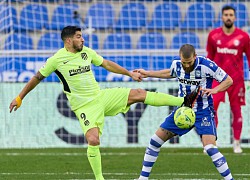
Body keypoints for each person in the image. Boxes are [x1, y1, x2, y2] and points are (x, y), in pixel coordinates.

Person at [9, 26, 198, 180]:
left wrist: (129, 73)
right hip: (84, 106)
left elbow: (106, 63)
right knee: (93, 139)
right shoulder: (56, 60)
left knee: (139, 93)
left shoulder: (86, 53)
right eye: (79, 37)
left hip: (101, 96)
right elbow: (36, 77)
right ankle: (99, 178)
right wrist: (19, 97)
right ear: (68, 40)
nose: (82, 40)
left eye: (82, 37)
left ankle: (183, 101)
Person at [134, 44, 234, 180]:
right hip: (182, 111)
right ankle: (143, 178)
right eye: (183, 62)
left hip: (203, 112)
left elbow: (228, 80)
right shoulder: (176, 63)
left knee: (210, 148)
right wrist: (148, 73)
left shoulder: (206, 65)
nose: (186, 66)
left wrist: (215, 90)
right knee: (154, 141)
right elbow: (170, 73)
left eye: (189, 62)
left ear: (195, 57)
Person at [206, 5, 250, 153]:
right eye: (226, 15)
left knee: (236, 110)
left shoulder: (243, 37)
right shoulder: (213, 35)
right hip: (217, 79)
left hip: (237, 80)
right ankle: (212, 143)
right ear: (222, 17)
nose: (229, 17)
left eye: (231, 15)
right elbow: (209, 58)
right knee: (212, 110)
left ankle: (236, 143)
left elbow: (249, 58)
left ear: (235, 17)